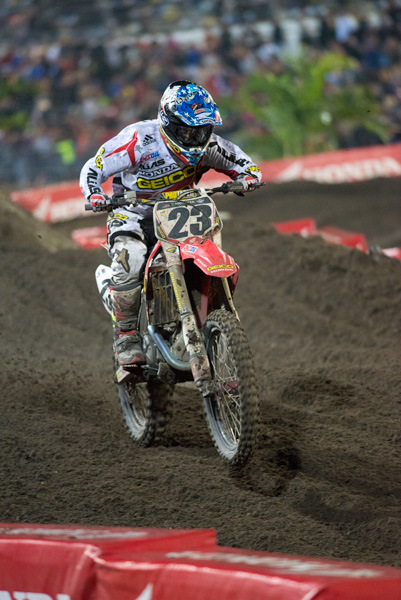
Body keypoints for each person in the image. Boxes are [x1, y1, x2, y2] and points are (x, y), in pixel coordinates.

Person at [79, 80, 262, 367]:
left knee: (211, 252)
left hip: (182, 211)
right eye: (187, 131)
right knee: (132, 259)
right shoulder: (139, 140)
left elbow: (245, 164)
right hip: (133, 214)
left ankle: (203, 316)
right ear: (168, 122)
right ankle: (126, 337)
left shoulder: (210, 146)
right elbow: (94, 166)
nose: (195, 137)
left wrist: (249, 178)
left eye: (201, 130)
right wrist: (94, 193)